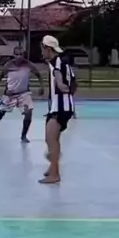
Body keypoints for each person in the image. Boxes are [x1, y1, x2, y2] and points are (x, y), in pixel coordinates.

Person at [0, 46, 44, 143]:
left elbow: (38, 74)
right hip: (9, 94)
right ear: (13, 55)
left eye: (21, 54)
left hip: (23, 94)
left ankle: (23, 136)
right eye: (17, 54)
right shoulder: (8, 65)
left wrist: (41, 86)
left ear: (24, 55)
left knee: (28, 113)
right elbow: (0, 76)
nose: (19, 57)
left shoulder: (29, 65)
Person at [39, 35, 75, 184]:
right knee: (53, 139)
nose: (42, 52)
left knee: (50, 139)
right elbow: (74, 82)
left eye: (42, 49)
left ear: (48, 48)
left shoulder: (57, 62)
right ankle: (52, 167)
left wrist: (61, 86)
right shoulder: (64, 62)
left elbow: (59, 78)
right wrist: (69, 90)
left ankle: (55, 174)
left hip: (60, 108)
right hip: (63, 107)